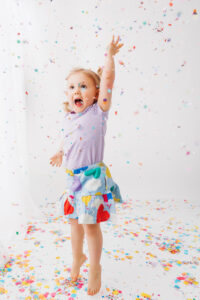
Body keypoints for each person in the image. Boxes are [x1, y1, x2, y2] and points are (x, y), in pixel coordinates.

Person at [50, 35, 124, 296]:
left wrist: (110, 57)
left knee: (90, 224)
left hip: (92, 177)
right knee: (74, 222)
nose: (76, 91)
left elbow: (108, 81)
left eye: (83, 86)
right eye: (71, 87)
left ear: (95, 94)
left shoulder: (98, 113)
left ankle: (95, 267)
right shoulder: (68, 117)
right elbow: (70, 139)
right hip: (72, 177)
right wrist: (60, 152)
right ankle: (77, 258)